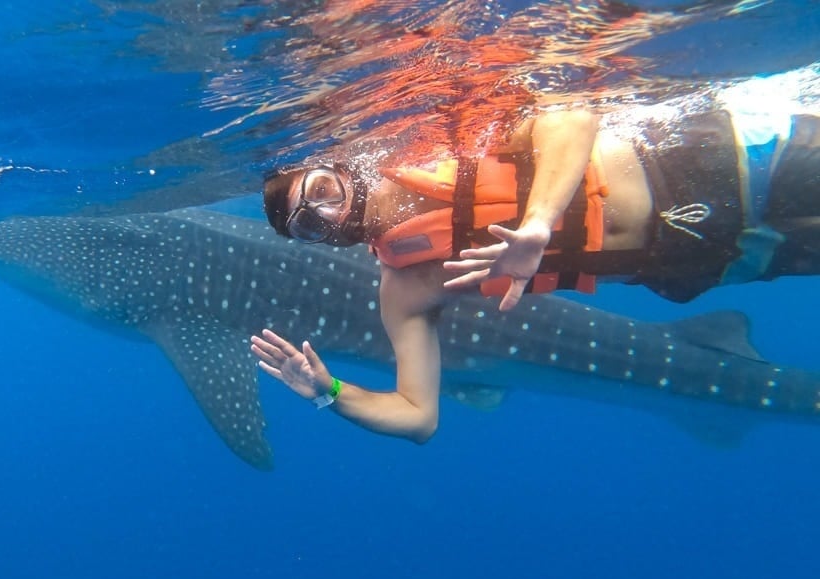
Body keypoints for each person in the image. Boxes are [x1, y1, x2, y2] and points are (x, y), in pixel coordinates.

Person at [249, 70, 820, 443]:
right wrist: (330, 393)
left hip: (731, 158)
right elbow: (418, 417)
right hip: (706, 258)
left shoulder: (442, 142)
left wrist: (537, 226)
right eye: (308, 225)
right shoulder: (405, 287)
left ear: (340, 166)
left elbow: (571, 116)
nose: (326, 213)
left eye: (320, 190)